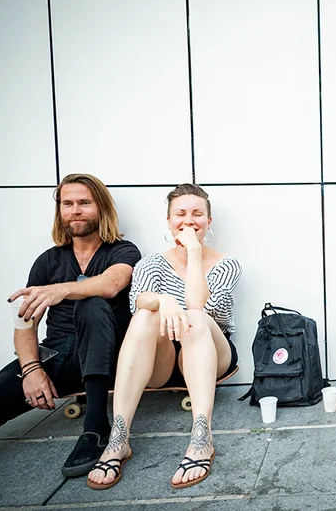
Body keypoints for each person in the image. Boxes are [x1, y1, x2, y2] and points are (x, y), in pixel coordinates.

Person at [87, 183, 241, 490]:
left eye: (198, 214)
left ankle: (201, 437)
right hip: (161, 360)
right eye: (180, 214)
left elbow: (200, 306)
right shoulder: (151, 263)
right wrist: (163, 301)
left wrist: (194, 252)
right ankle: (119, 438)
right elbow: (137, 303)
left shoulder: (226, 264)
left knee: (195, 316)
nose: (189, 220)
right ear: (169, 221)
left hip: (209, 350)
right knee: (146, 314)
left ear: (208, 222)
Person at [0, 174, 141, 477]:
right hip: (57, 357)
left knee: (92, 303)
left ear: (101, 208)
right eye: (67, 203)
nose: (75, 210)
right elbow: (25, 325)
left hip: (109, 356)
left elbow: (112, 284)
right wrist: (32, 369)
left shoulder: (123, 251)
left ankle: (96, 428)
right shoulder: (48, 261)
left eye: (84, 203)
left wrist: (61, 290)